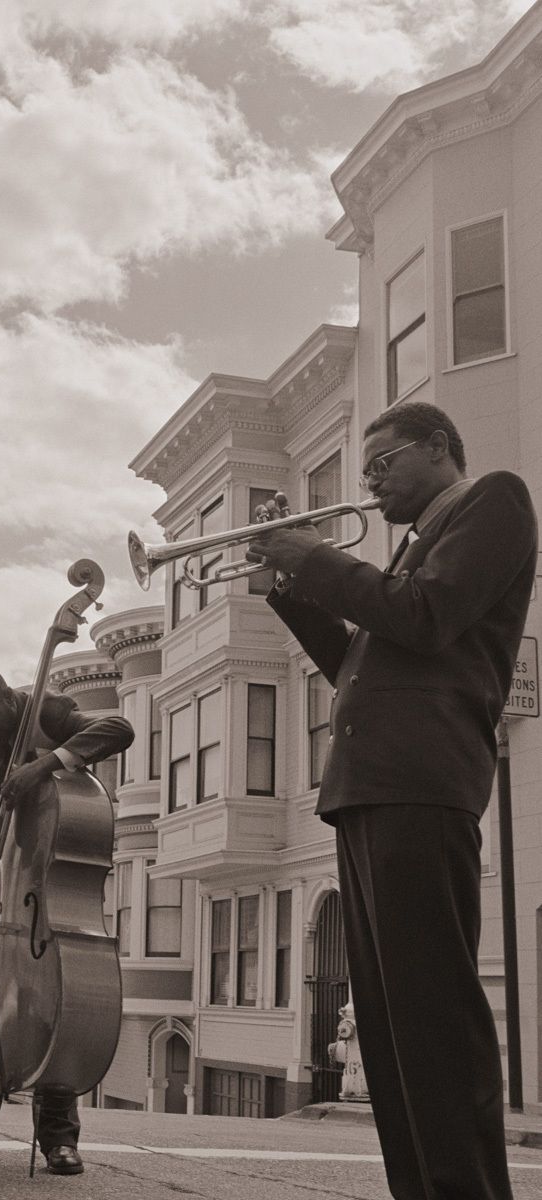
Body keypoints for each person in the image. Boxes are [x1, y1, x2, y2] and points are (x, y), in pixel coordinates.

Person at [247, 401, 536, 1200]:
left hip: (422, 782)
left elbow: (425, 616)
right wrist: (284, 587)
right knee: (388, 1025)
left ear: (438, 447)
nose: (369, 485)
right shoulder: (407, 551)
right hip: (370, 788)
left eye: (381, 465)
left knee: (433, 1014)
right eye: (365, 473)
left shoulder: (495, 500)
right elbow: (357, 664)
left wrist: (312, 559)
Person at [0, 666, 134, 1177]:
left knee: (56, 1001)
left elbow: (118, 729)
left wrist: (46, 765)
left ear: (9, 703)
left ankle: (59, 1136)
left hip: (45, 890)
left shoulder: (47, 710)